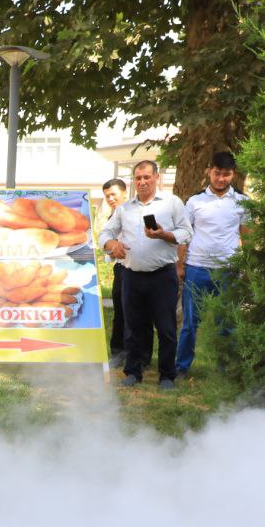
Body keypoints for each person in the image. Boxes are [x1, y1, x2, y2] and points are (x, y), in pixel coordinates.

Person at [99, 160, 191, 389]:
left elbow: (186, 233)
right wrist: (112, 245)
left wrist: (164, 234)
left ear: (157, 178)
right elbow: (105, 234)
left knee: (166, 328)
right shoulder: (125, 208)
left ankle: (167, 375)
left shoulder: (172, 203)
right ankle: (133, 371)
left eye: (147, 177)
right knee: (133, 327)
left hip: (162, 275)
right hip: (132, 275)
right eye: (138, 178)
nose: (142, 182)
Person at [175, 151, 249, 376]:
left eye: (226, 174)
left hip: (228, 270)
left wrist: (246, 265)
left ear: (233, 175)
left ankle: (225, 368)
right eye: (217, 173)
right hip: (197, 268)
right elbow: (184, 235)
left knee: (226, 322)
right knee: (189, 323)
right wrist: (180, 265)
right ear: (209, 172)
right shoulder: (195, 201)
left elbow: (247, 235)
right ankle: (181, 367)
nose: (221, 179)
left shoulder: (242, 202)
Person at [101, 178, 129, 369]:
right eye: (107, 196)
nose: (110, 198)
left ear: (124, 193)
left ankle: (140, 356)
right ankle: (118, 353)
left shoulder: (134, 211)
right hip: (120, 268)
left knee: (139, 315)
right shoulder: (112, 216)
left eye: (113, 194)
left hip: (140, 268)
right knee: (119, 312)